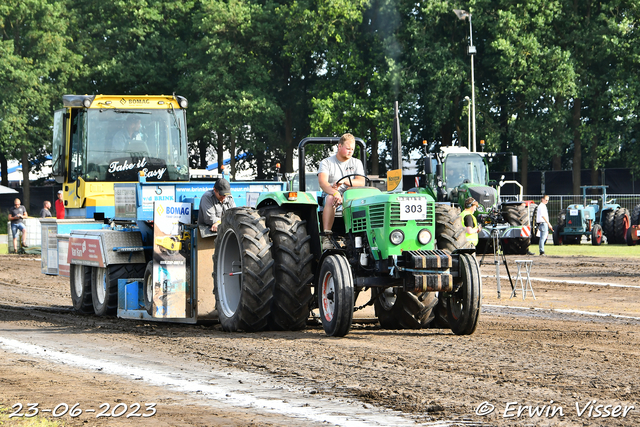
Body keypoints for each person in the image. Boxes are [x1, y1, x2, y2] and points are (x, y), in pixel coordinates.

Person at [317, 133, 366, 250]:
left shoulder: (356, 163)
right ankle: (327, 237)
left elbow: (361, 182)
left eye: (352, 149)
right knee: (330, 198)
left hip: (350, 196)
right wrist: (335, 193)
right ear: (339, 147)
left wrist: (345, 181)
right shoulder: (327, 163)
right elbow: (323, 183)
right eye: (348, 148)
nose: (350, 152)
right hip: (332, 195)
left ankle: (361, 237)